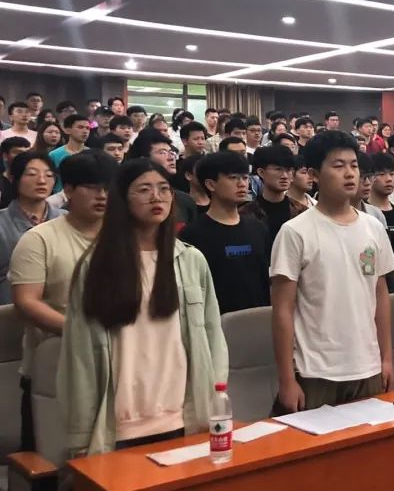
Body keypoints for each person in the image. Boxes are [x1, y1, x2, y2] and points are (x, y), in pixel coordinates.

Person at [58, 158, 226, 456]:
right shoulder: (96, 265)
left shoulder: (190, 260)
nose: (156, 197)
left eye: (164, 189)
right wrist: (80, 439)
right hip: (119, 426)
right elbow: (80, 355)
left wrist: (216, 401)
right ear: (122, 199)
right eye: (144, 189)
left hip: (184, 417)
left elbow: (213, 336)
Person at [271, 131, 394, 412]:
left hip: (368, 367)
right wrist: (286, 380)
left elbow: (381, 296)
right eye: (338, 166)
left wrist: (386, 358)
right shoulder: (295, 232)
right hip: (315, 372)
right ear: (314, 174)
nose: (350, 173)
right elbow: (282, 310)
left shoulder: (374, 227)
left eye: (354, 165)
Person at [10, 152, 115, 451]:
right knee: (52, 464)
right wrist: (81, 332)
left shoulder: (124, 238)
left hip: (115, 367)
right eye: (92, 187)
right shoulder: (39, 239)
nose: (102, 195)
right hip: (54, 370)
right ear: (68, 190)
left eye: (108, 188)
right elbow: (26, 302)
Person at [179, 152, 271, 315]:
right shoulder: (192, 235)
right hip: (215, 321)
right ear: (210, 184)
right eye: (233, 178)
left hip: (259, 318)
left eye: (245, 178)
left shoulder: (257, 228)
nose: (242, 184)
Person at [0, 152, 64, 304]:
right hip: (11, 308)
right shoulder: (2, 222)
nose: (42, 181)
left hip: (60, 307)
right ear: (14, 179)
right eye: (32, 174)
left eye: (49, 175)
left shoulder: (67, 219)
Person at [128, 129, 198, 227]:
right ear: (143, 159)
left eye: (171, 152)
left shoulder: (185, 201)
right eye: (162, 152)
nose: (171, 158)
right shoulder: (128, 199)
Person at [241, 145, 306, 245]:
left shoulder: (302, 212)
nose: (284, 176)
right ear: (261, 172)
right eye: (278, 169)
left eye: (288, 170)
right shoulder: (245, 214)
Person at [0, 136, 31, 208]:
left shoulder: (37, 179)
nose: (24, 156)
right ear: (5, 156)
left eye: (27, 153)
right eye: (18, 153)